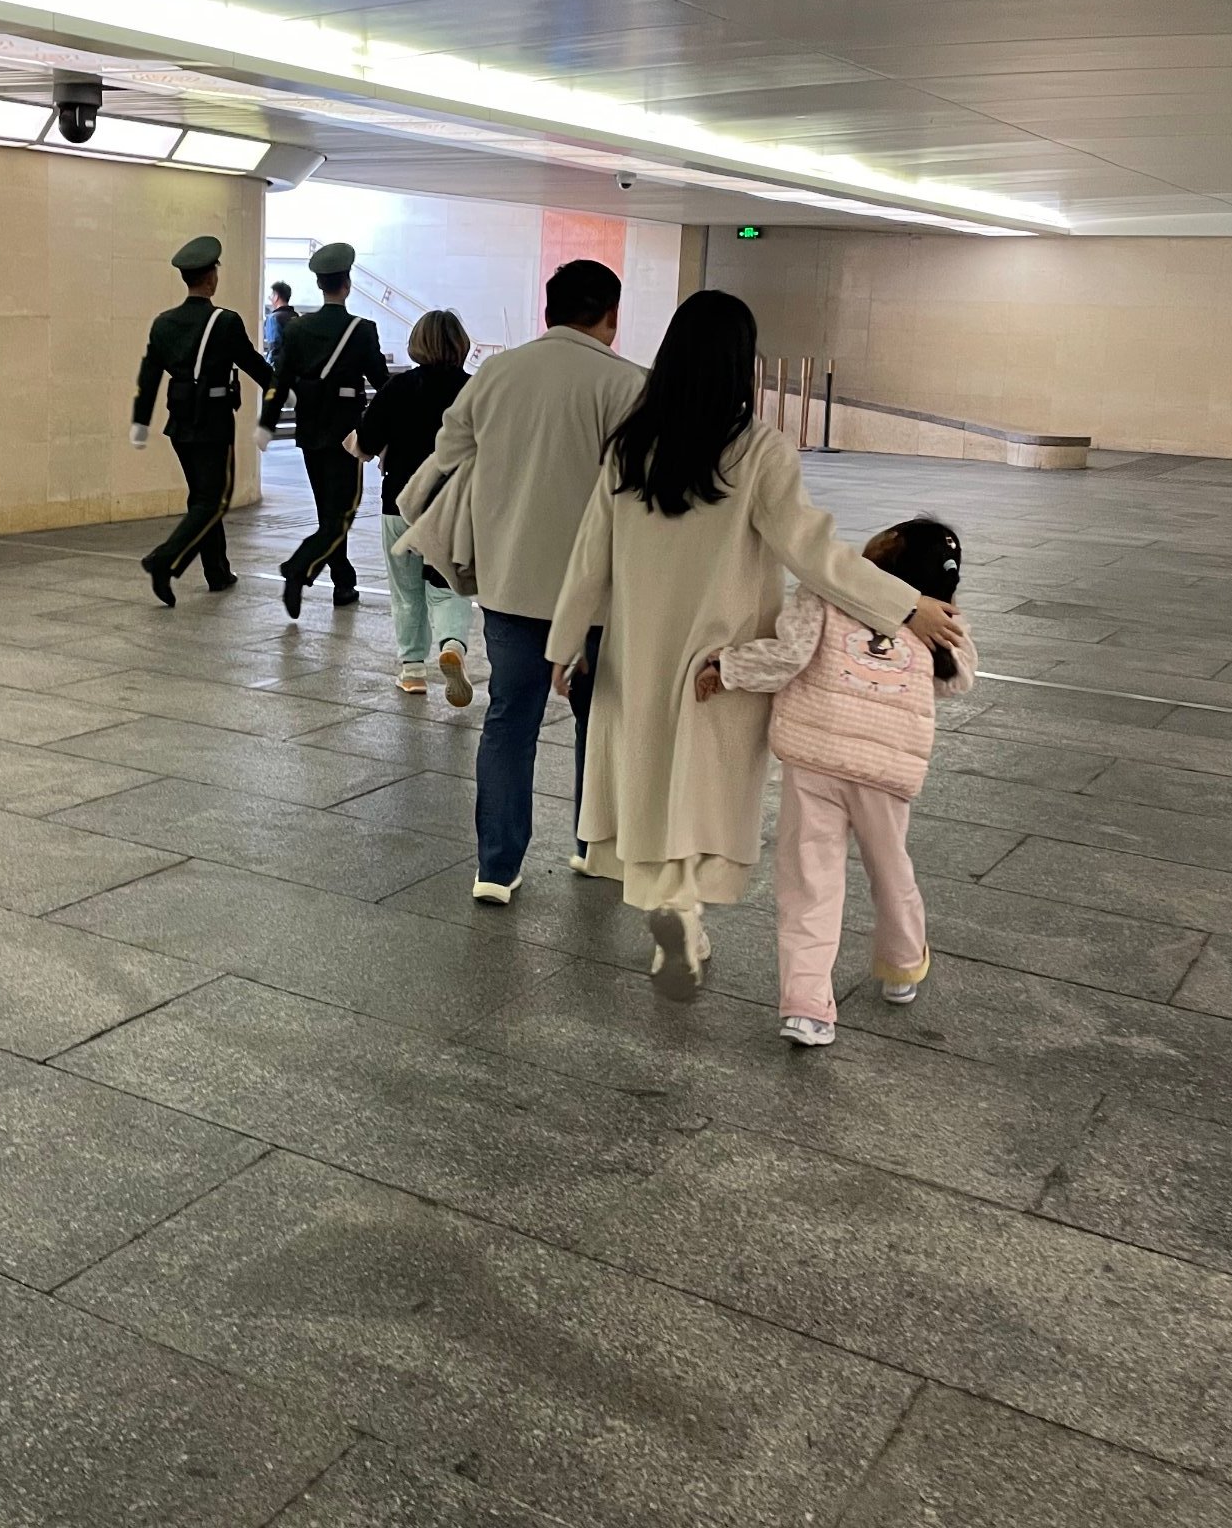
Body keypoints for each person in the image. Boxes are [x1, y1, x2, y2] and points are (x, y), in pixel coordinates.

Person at [546, 291, 962, 997]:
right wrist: (905, 605)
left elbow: (592, 556)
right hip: (724, 661)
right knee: (706, 790)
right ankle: (687, 908)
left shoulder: (631, 446)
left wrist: (564, 644)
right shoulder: (759, 450)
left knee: (648, 781)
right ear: (742, 363)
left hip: (637, 652)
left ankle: (669, 908)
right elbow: (815, 554)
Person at [697, 516, 975, 1046]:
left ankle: (807, 1009)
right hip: (885, 773)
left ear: (881, 550)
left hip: (815, 761)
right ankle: (902, 965)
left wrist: (726, 665)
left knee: (809, 880)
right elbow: (957, 680)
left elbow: (787, 657)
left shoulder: (823, 592)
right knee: (891, 870)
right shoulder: (936, 619)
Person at [415, 258, 643, 905]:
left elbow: (450, 452)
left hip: (512, 582)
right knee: (598, 718)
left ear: (548, 310)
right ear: (611, 315)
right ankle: (592, 847)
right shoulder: (629, 383)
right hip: (598, 595)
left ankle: (496, 866)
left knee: (509, 719)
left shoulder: (496, 373)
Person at [129, 234, 273, 607]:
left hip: (180, 423)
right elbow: (253, 364)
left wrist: (140, 421)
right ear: (211, 279)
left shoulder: (163, 323)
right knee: (214, 499)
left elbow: (149, 376)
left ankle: (218, 571)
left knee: (203, 497)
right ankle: (164, 560)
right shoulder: (225, 322)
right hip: (213, 423)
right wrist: (284, 390)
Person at [258, 241, 388, 617]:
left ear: (319, 284)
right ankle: (299, 567)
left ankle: (344, 581)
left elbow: (280, 379)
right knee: (342, 513)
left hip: (310, 431)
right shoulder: (361, 330)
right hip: (347, 435)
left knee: (328, 513)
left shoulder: (298, 329)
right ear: (347, 284)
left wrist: (266, 424)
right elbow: (382, 382)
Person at [355, 309, 476, 703]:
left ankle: (412, 671)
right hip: (454, 508)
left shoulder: (399, 387)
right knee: (450, 586)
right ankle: (452, 646)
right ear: (461, 344)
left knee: (406, 591)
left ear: (417, 344)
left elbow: (367, 439)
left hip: (400, 503)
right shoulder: (474, 390)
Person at [263, 280, 296, 362]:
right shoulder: (296, 316)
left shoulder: (273, 318)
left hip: (279, 365)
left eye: (271, 295)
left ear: (276, 296)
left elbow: (274, 347)